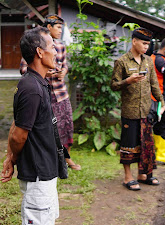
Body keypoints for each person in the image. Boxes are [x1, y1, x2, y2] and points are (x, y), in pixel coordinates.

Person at [1, 26, 60, 224]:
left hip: (45, 171)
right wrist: (13, 157)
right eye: (52, 46)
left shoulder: (38, 82)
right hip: (38, 174)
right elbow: (18, 134)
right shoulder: (31, 88)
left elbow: (17, 124)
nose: (56, 50)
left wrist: (9, 156)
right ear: (40, 52)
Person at [20, 14, 80, 170]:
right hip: (44, 94)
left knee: (66, 126)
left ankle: (66, 158)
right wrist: (44, 73)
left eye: (61, 27)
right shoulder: (34, 44)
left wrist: (63, 73)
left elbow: (65, 65)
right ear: (48, 28)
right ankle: (51, 159)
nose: (61, 31)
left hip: (61, 93)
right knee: (49, 128)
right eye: (58, 27)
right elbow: (23, 69)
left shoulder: (60, 47)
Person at [111, 27, 165, 191]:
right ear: (134, 41)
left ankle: (144, 174)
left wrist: (162, 102)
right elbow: (113, 85)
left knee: (146, 144)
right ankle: (128, 177)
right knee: (129, 144)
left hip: (146, 110)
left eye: (148, 44)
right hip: (130, 111)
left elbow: (154, 84)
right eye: (143, 43)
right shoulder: (122, 61)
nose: (146, 47)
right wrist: (128, 81)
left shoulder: (148, 61)